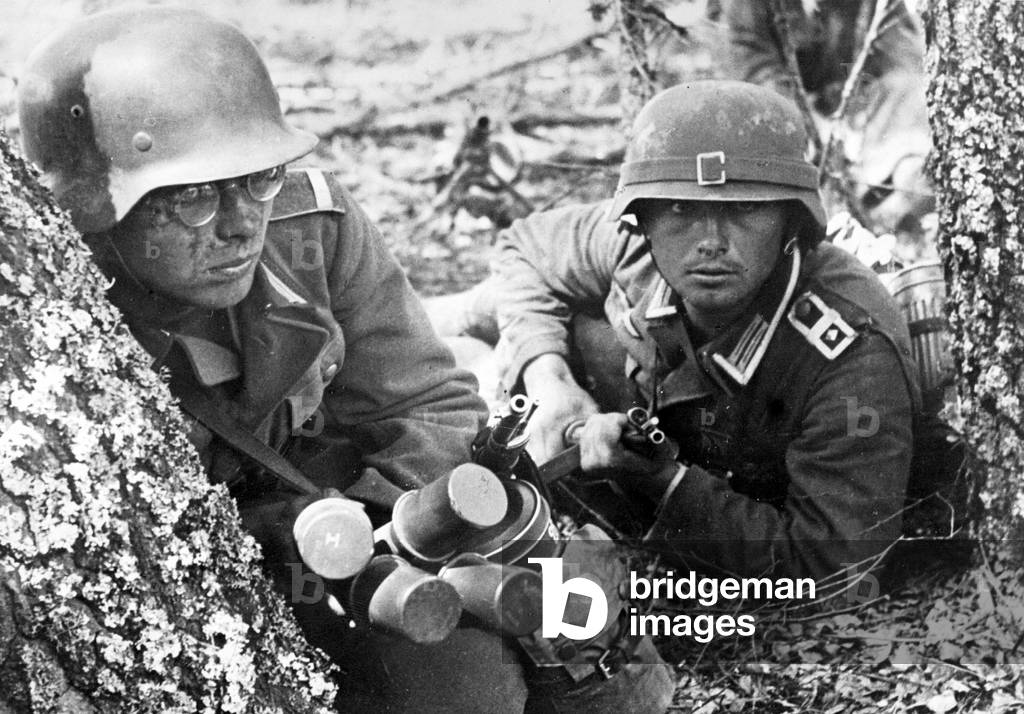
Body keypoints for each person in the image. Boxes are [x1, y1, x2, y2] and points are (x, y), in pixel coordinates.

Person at [16, 8, 672, 713]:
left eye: (258, 176)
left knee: (490, 678)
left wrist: (383, 522)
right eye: (194, 196)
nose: (242, 222)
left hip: (356, 551)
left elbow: (427, 403)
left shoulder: (311, 231)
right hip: (209, 589)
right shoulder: (56, 314)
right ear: (93, 209)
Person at [492, 80, 921, 585]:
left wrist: (663, 481)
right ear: (643, 217)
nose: (710, 242)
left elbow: (831, 570)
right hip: (604, 383)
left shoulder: (850, 353)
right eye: (680, 209)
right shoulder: (634, 246)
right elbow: (522, 249)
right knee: (477, 328)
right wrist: (550, 382)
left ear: (792, 220)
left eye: (743, 209)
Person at [715, 0, 935, 254]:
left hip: (862, 118)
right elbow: (752, 69)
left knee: (912, 97)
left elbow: (902, 59)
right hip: (790, 119)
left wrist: (855, 115)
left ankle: (889, 216)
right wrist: (807, 122)